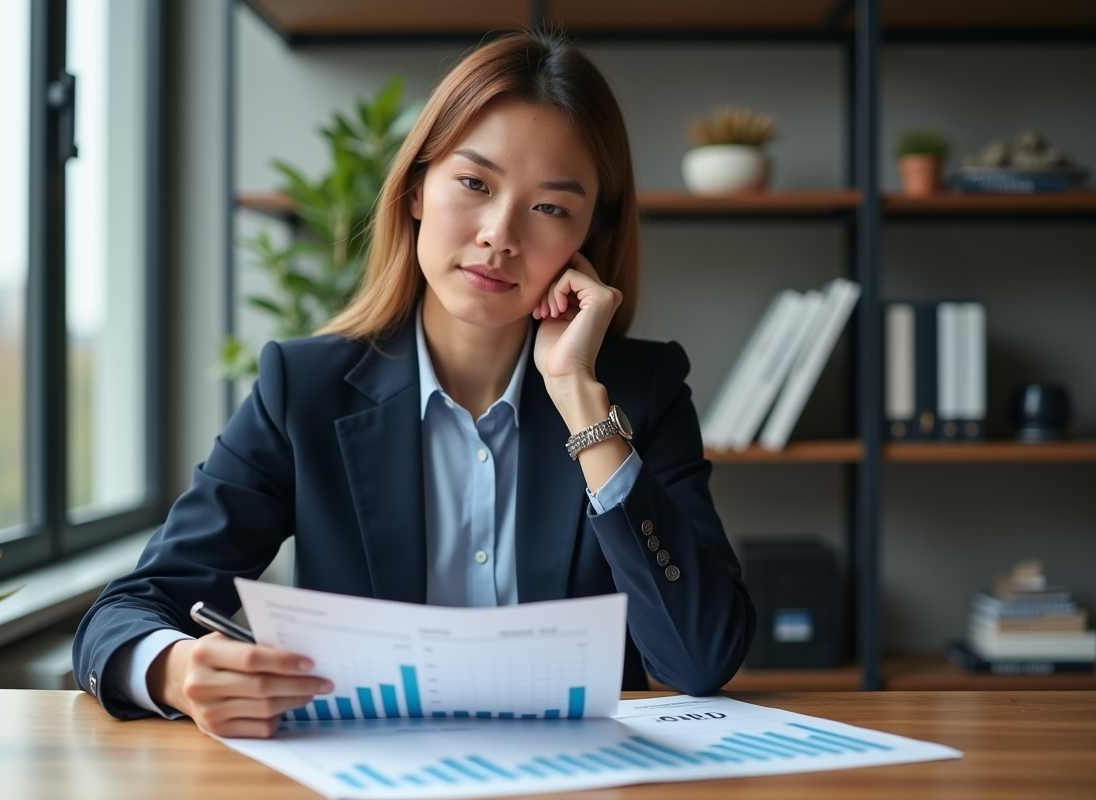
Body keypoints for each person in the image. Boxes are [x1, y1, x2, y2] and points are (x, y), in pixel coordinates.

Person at [73, 28, 754, 738]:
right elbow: (126, 612)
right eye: (474, 183)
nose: (500, 234)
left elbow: (700, 659)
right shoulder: (302, 390)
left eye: (550, 207)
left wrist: (582, 402)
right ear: (417, 190)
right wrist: (176, 670)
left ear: (586, 238)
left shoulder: (639, 391)